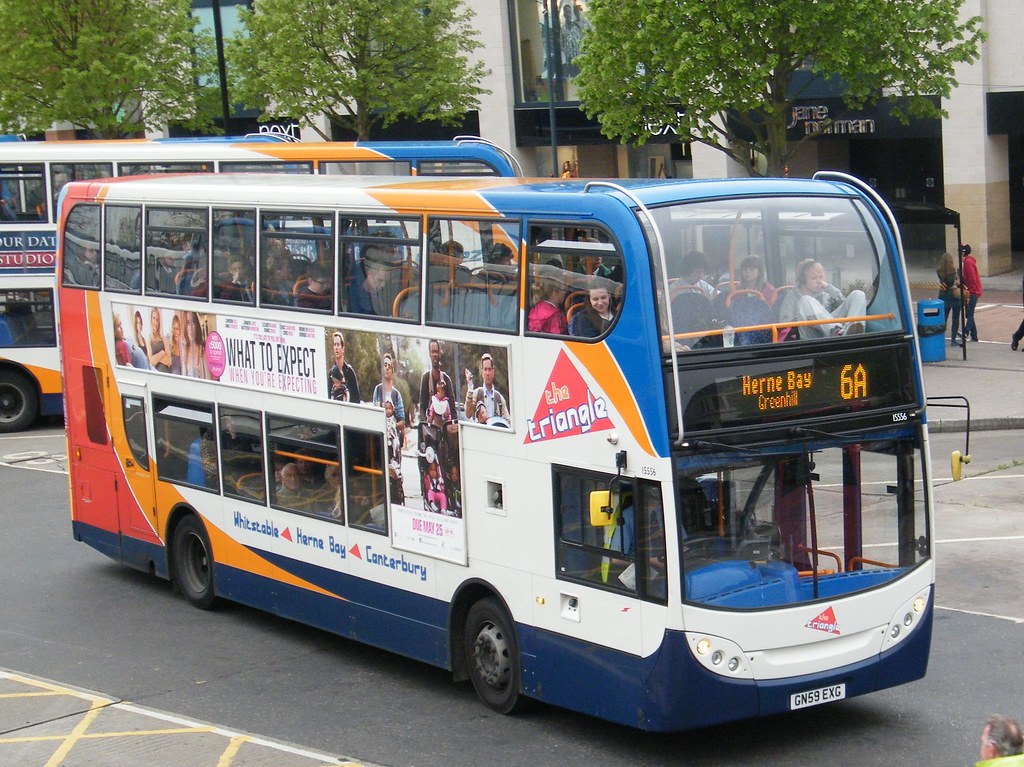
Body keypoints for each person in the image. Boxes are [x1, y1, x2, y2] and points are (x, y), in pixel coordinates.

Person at [777, 259, 867, 338]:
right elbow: (785, 326)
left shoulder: (825, 294)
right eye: (814, 278)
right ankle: (836, 331)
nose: (819, 281)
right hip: (810, 335)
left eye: (820, 277)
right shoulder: (791, 298)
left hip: (834, 332)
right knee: (805, 300)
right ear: (802, 280)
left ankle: (852, 331)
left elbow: (845, 306)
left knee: (858, 294)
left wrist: (829, 288)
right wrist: (805, 317)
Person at [463, 352, 509, 423]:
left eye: (489, 369)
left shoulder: (499, 398)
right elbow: (468, 414)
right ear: (482, 372)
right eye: (485, 369)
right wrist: (470, 387)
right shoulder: (476, 394)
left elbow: (508, 422)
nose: (487, 373)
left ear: (493, 372)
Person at [418, 339, 454, 420]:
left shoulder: (446, 379)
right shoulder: (425, 378)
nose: (435, 355)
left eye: (437, 352)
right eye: (433, 352)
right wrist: (424, 423)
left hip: (444, 424)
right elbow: (422, 406)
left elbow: (452, 408)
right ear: (429, 354)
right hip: (430, 426)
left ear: (440, 354)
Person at [936, 251, 963, 346]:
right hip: (954, 297)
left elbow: (943, 283)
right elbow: (958, 283)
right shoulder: (954, 272)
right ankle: (953, 339)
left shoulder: (940, 272)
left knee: (944, 318)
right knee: (955, 319)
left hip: (943, 297)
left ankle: (940, 336)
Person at [328, 330, 361, 403]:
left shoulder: (349, 371)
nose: (336, 347)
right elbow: (329, 397)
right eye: (334, 344)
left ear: (343, 348)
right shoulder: (331, 373)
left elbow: (356, 398)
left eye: (338, 344)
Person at [960, 243, 983, 343]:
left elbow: (972, 279)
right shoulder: (967, 261)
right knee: (969, 313)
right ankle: (974, 336)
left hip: (973, 291)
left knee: (969, 313)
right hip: (973, 290)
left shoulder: (968, 263)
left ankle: (966, 332)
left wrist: (970, 292)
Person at [182, 311, 208, 378]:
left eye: (193, 322)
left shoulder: (202, 350)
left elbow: (209, 380)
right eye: (188, 323)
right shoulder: (184, 352)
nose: (190, 328)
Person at [148, 308, 172, 372]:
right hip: (156, 372)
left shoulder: (163, 338)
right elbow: (151, 362)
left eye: (157, 319)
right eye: (153, 318)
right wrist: (162, 353)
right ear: (151, 319)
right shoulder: (149, 340)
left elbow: (169, 361)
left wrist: (156, 359)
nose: (155, 321)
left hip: (166, 370)